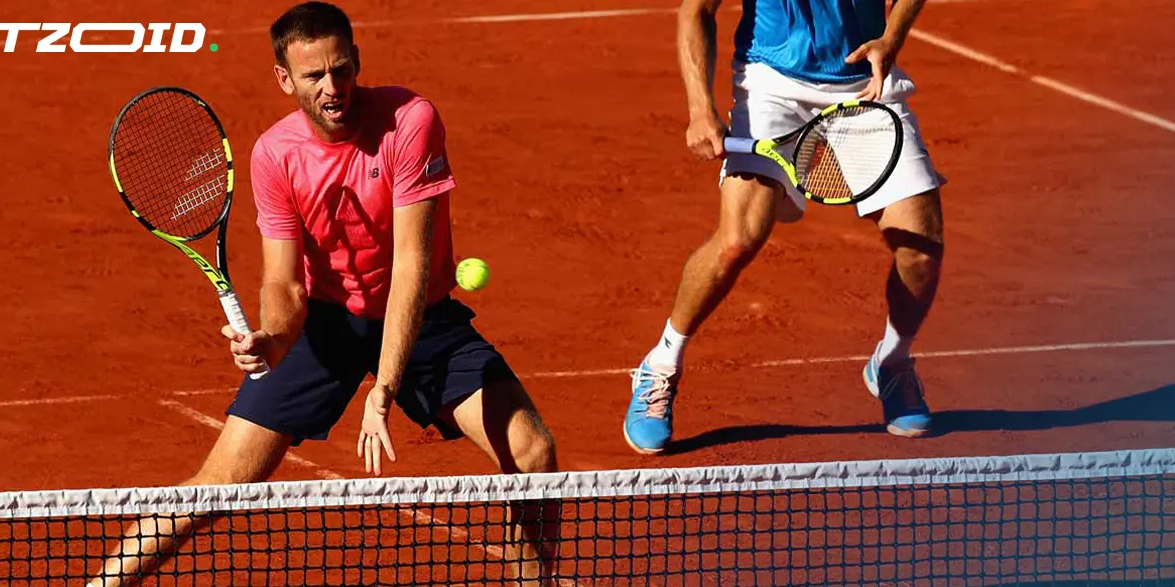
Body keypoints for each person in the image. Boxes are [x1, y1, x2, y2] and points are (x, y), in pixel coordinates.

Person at [89, 2, 556, 583]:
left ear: (356, 62)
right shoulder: (274, 155)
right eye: (314, 76)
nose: (332, 87)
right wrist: (272, 338)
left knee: (533, 455)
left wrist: (384, 388)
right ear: (285, 79)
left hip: (420, 319)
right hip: (327, 326)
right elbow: (283, 282)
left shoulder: (410, 120)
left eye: (341, 70)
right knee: (219, 483)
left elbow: (410, 262)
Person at [625, 0, 946, 454]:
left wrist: (891, 39)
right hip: (770, 82)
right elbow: (695, 10)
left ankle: (892, 362)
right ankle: (661, 364)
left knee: (921, 248)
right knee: (738, 239)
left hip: (864, 83)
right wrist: (700, 108)